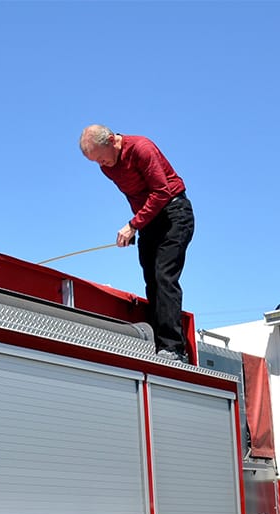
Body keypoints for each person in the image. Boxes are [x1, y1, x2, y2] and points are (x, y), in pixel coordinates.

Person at [79, 125, 194, 361]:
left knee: (164, 277)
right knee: (151, 281)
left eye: (101, 158)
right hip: (149, 220)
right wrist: (138, 227)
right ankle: (158, 346)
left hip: (174, 214)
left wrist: (133, 225)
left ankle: (173, 348)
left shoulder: (142, 148)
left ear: (112, 140)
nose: (101, 165)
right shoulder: (107, 168)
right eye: (96, 162)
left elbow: (161, 191)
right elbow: (135, 196)